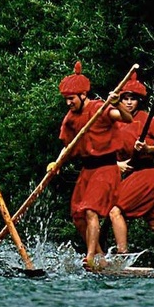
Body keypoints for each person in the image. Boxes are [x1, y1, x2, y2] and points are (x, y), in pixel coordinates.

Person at [54, 61, 131, 267]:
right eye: (66, 100)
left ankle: (89, 257)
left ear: (82, 95)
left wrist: (117, 103)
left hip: (106, 168)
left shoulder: (100, 108)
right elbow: (68, 146)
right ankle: (100, 258)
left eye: (71, 99)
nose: (68, 103)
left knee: (90, 210)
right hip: (87, 170)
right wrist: (57, 163)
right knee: (78, 216)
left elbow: (126, 118)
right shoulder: (70, 118)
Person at [107, 73, 154, 255]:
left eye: (133, 99)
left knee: (115, 210)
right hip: (131, 174)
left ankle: (121, 255)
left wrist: (149, 149)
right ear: (120, 100)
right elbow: (104, 153)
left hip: (147, 173)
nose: (129, 103)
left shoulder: (151, 122)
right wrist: (117, 164)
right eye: (125, 99)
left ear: (139, 101)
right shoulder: (113, 123)